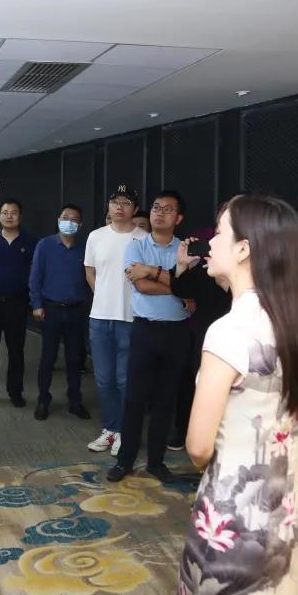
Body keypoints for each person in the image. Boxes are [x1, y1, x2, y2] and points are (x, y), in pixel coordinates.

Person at [179, 194, 298, 595]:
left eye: (219, 232)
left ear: (244, 249)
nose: (210, 242)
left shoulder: (229, 331)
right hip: (288, 508)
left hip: (234, 516)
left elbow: (199, 446)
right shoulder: (296, 326)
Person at [107, 190, 191, 483]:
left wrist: (151, 271)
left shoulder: (187, 250)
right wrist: (176, 284)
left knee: (165, 399)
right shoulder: (136, 247)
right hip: (144, 329)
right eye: (156, 207)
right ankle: (125, 461)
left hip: (178, 332)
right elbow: (141, 286)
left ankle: (156, 462)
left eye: (167, 209)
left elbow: (191, 290)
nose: (159, 213)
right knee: (134, 398)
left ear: (178, 218)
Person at [84, 184, 148, 455]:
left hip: (130, 318)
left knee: (125, 379)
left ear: (135, 209)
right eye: (115, 202)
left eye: (126, 202)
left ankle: (124, 430)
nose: (119, 207)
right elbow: (90, 271)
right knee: (103, 379)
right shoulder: (96, 236)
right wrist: (102, 295)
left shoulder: (143, 238)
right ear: (108, 207)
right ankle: (109, 429)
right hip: (99, 317)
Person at [167, 226, 233, 450]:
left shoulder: (253, 259)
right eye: (218, 229)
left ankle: (219, 438)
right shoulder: (210, 259)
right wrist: (182, 265)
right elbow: (181, 289)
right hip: (203, 331)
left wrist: (227, 283)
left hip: (234, 335)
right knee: (191, 380)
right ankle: (184, 429)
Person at [29, 203, 92, 421]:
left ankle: (75, 401)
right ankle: (43, 400)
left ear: (80, 225)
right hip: (51, 310)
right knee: (48, 358)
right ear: (58, 221)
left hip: (77, 311)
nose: (69, 222)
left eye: (74, 219)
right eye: (65, 218)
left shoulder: (85, 248)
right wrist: (36, 304)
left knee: (75, 359)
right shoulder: (45, 245)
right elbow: (35, 277)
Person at [0, 199, 38, 407]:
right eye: (5, 212)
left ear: (20, 216)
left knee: (16, 349)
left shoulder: (30, 241)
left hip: (17, 302)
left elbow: (35, 272)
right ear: (0, 216)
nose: (9, 216)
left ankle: (15, 391)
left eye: (13, 212)